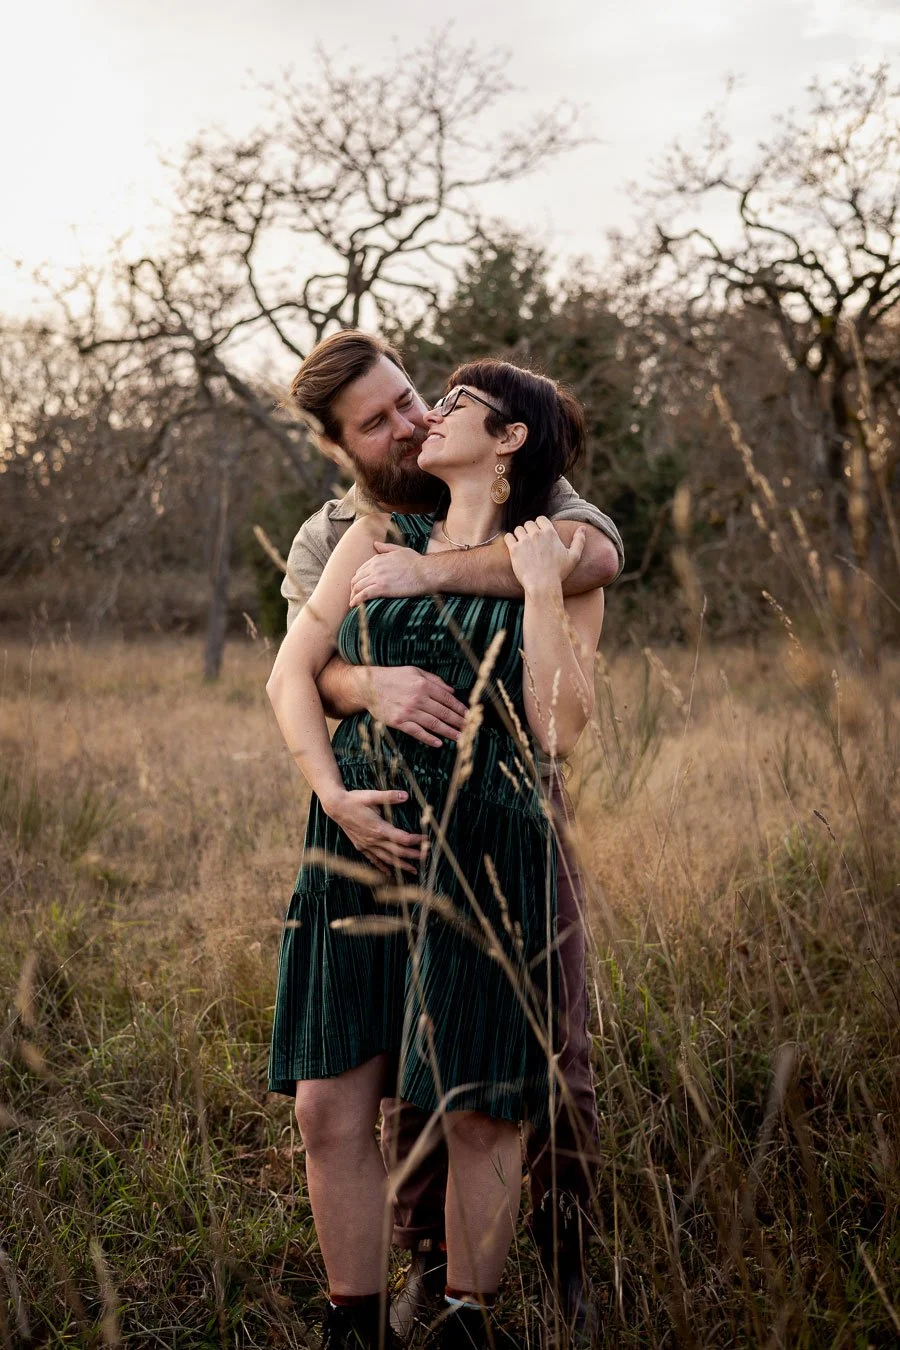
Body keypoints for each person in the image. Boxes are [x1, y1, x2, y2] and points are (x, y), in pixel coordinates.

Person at [271, 332, 622, 1348]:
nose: (418, 420)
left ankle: (482, 1306)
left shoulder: (560, 539)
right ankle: (356, 1321)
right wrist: (335, 791)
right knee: (332, 1101)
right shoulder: (363, 531)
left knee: (482, 1098)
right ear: (344, 445)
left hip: (490, 845)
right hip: (358, 837)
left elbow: (557, 728)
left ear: (507, 439)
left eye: (433, 399)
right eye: (380, 421)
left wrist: (545, 587)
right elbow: (295, 673)